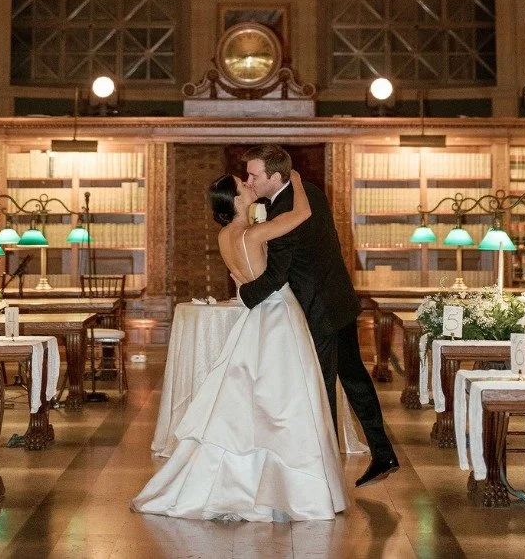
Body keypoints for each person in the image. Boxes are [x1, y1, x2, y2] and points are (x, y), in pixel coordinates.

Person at [132, 169, 346, 521]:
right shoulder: (253, 233)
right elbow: (302, 215)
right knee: (288, 399)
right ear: (235, 200)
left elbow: (241, 278)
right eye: (243, 185)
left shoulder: (224, 237)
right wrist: (295, 178)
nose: (249, 186)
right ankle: (293, 490)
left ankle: (254, 481)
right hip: (279, 315)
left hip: (254, 318)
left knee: (249, 399)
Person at [239, 145, 399, 487]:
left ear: (276, 177)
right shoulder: (306, 191)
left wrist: (242, 295)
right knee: (354, 377)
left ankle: (322, 476)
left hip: (320, 310)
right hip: (338, 299)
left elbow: (276, 275)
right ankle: (383, 453)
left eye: (254, 175)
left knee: (321, 387)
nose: (249, 180)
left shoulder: (287, 212)